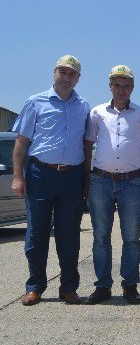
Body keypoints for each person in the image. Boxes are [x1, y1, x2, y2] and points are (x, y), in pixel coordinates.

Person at [11, 55, 90, 306]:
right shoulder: (35, 102)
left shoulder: (84, 107)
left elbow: (87, 147)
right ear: (54, 72)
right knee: (37, 233)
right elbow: (21, 143)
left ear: (78, 78)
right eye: (63, 72)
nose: (66, 78)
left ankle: (68, 288)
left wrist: (86, 179)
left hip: (72, 176)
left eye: (72, 74)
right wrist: (17, 176)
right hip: (40, 174)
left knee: (69, 235)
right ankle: (35, 286)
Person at [84, 64, 140, 305]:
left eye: (126, 85)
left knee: (131, 237)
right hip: (100, 180)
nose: (121, 89)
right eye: (117, 85)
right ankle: (103, 286)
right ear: (110, 86)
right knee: (100, 236)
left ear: (132, 88)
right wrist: (86, 177)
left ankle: (130, 285)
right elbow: (87, 144)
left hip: (131, 182)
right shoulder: (97, 113)